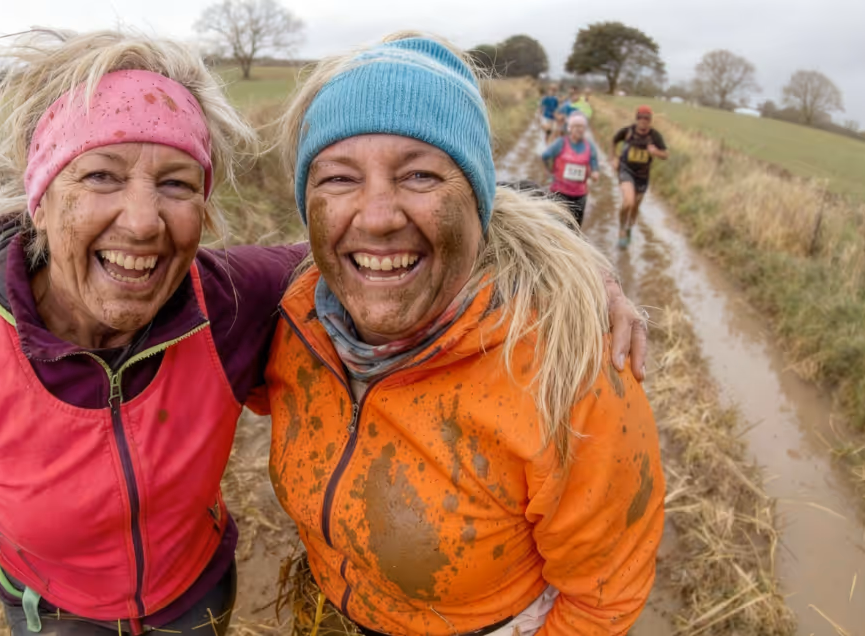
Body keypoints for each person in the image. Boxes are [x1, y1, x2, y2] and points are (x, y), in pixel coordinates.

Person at [0, 28, 650, 636]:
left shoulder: (229, 302)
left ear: (201, 212)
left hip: (199, 599)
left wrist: (571, 264)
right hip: (53, 615)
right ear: (38, 197)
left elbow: (407, 232)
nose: (141, 222)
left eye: (175, 184)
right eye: (100, 174)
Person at [266, 34, 664, 636]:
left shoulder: (568, 371)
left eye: (421, 175)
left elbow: (601, 601)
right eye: (339, 178)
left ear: (478, 200)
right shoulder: (293, 315)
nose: (376, 216)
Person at [611, 105, 668, 248]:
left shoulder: (654, 136)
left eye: (647, 118)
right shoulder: (628, 131)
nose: (643, 121)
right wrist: (614, 158)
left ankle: (629, 226)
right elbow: (614, 141)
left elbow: (665, 154)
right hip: (626, 170)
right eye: (641, 118)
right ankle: (622, 229)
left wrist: (655, 151)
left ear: (650, 120)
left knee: (635, 206)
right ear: (637, 119)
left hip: (643, 175)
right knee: (628, 201)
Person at [541, 113, 600, 230]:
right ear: (570, 128)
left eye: (582, 127)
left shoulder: (590, 146)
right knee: (557, 226)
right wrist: (549, 171)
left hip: (580, 194)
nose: (579, 129)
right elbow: (545, 156)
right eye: (576, 126)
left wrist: (595, 172)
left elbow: (594, 162)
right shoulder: (561, 143)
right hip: (559, 191)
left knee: (575, 227)